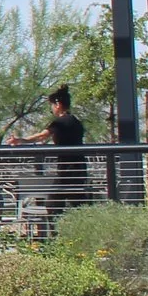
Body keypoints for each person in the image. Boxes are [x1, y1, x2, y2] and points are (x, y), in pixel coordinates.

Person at [11, 86, 91, 221]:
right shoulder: (76, 122)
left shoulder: (60, 122)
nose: (52, 109)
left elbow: (42, 136)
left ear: (58, 104)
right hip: (79, 167)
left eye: (52, 106)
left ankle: (56, 234)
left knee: (53, 204)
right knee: (78, 203)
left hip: (67, 169)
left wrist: (21, 140)